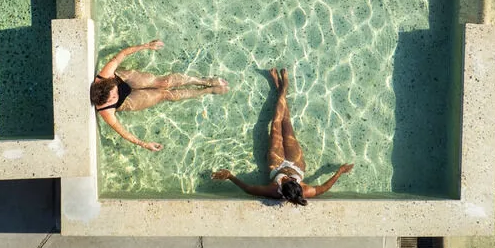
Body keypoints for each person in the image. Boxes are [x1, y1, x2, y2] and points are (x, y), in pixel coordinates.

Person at [211, 68, 354, 205]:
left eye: (284, 180)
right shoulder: (305, 190)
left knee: (275, 123)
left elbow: (249, 189)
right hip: (296, 165)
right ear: (297, 184)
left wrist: (230, 176)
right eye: (289, 179)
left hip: (276, 165)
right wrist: (339, 172)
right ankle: (283, 88)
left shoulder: (274, 190)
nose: (286, 177)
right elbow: (323, 188)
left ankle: (281, 88)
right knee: (286, 122)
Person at [92, 39, 228, 152]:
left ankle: (205, 81)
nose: (115, 95)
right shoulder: (106, 111)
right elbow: (123, 132)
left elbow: (121, 55)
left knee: (164, 82)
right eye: (113, 98)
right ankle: (205, 91)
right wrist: (144, 144)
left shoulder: (105, 74)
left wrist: (146, 46)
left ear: (108, 83)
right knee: (165, 94)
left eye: (114, 91)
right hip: (127, 101)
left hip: (124, 79)